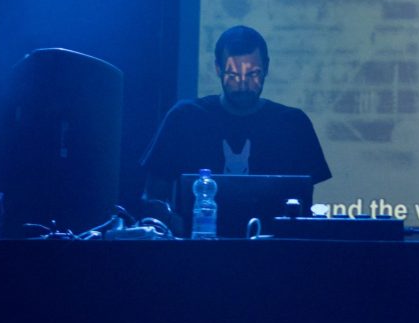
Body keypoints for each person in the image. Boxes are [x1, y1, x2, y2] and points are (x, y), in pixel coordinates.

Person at [140, 25, 331, 209]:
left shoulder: (293, 125)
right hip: (199, 233)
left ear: (266, 68)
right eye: (232, 75)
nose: (243, 85)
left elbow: (304, 205)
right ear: (218, 68)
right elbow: (154, 199)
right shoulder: (184, 118)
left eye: (252, 74)